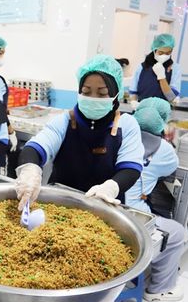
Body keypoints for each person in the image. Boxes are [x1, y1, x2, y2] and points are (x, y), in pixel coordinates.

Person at [15, 54, 144, 209]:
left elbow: (130, 168)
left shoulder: (126, 124)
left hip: (104, 206)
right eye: (86, 92)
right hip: (59, 203)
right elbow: (35, 148)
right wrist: (30, 170)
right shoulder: (66, 120)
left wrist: (111, 187)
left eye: (102, 93)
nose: (93, 98)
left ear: (115, 94)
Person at [125, 97, 185, 301]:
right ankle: (159, 289)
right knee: (177, 232)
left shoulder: (118, 135)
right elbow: (169, 168)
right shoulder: (164, 150)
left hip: (104, 202)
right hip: (131, 215)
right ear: (163, 121)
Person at [128, 34, 182, 106]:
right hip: (142, 109)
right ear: (154, 50)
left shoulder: (175, 68)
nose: (164, 56)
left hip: (163, 111)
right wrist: (134, 102)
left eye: (168, 53)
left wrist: (162, 77)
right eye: (161, 52)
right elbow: (133, 92)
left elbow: (171, 97)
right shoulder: (142, 67)